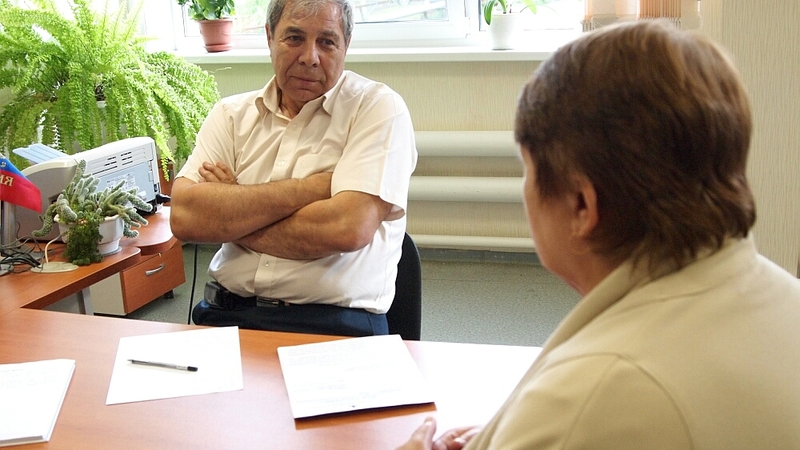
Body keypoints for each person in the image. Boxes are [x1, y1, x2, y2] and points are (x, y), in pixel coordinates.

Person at [399, 20, 800, 450]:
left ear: (581, 206)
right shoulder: (786, 300)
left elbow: (597, 413)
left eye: (527, 170)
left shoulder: (593, 398)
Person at [169, 0, 417, 337]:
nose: (309, 57)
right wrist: (310, 189)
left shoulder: (377, 109)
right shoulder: (230, 115)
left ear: (346, 45)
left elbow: (346, 229)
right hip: (225, 315)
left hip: (335, 325)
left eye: (327, 42)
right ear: (270, 37)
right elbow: (185, 217)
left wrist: (229, 215)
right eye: (295, 38)